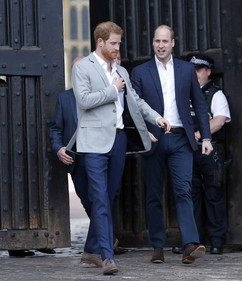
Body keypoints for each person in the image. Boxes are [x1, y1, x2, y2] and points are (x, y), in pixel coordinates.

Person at [66, 21, 170, 275]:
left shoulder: (121, 72)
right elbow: (84, 100)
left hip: (118, 140)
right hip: (92, 142)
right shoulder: (83, 68)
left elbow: (135, 101)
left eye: (118, 43)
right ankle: (107, 257)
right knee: (99, 197)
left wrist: (156, 118)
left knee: (109, 197)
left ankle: (91, 250)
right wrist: (112, 90)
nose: (117, 47)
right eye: (113, 43)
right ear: (100, 42)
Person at [131, 25, 213, 265]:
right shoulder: (140, 71)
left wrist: (205, 137)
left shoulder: (187, 70)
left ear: (173, 43)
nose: (160, 45)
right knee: (154, 193)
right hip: (154, 139)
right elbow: (133, 106)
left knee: (183, 190)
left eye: (165, 41)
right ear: (153, 43)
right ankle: (157, 246)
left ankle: (190, 244)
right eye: (157, 41)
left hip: (181, 139)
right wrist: (144, 130)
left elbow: (199, 105)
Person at [49, 56, 128, 267]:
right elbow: (56, 128)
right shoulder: (64, 98)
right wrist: (59, 148)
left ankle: (100, 250)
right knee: (91, 203)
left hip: (99, 153)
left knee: (102, 200)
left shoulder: (101, 95)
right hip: (77, 160)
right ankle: (99, 245)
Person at [188, 53, 231, 254]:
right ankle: (192, 241)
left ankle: (216, 241)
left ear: (208, 72)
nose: (195, 74)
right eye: (192, 70)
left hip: (210, 151)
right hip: (189, 152)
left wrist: (197, 135)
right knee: (191, 195)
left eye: (199, 70)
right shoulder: (183, 94)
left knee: (213, 195)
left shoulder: (215, 94)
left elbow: (220, 120)